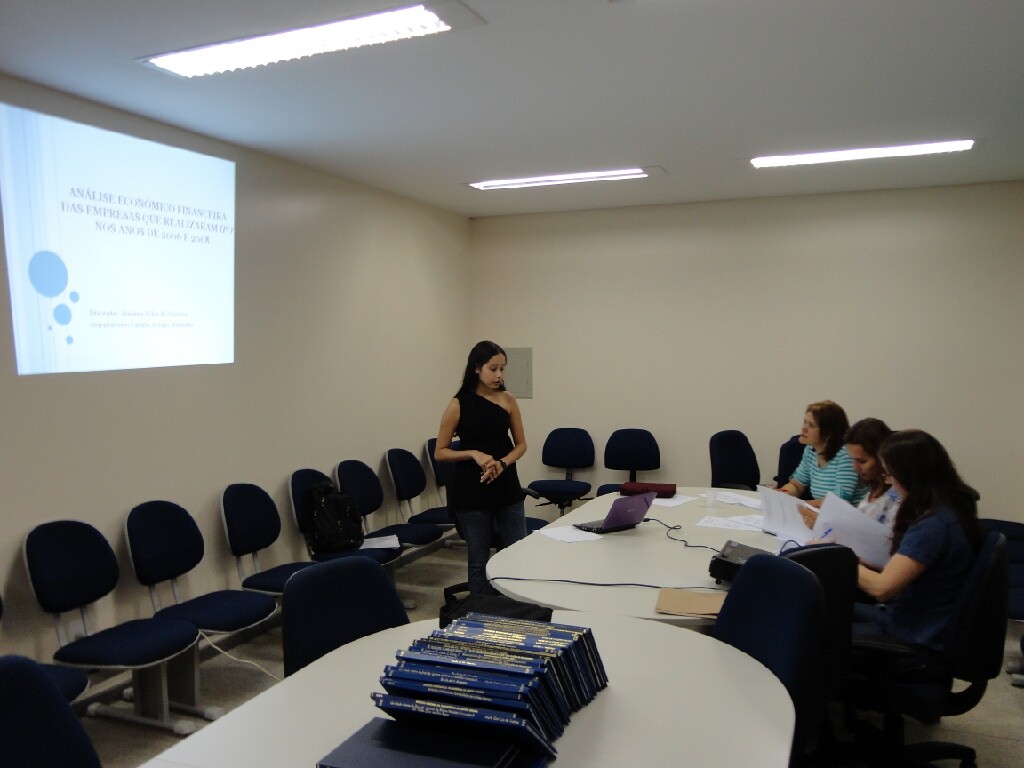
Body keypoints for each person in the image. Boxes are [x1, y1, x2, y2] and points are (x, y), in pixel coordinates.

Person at [853, 429, 983, 651]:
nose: (889, 483)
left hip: (912, 635)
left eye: (890, 475)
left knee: (814, 626)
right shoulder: (952, 507)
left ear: (909, 477)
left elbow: (882, 589)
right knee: (824, 606)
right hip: (913, 619)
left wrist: (842, 558)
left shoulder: (933, 525)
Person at [434, 340, 528, 595]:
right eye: (493, 369)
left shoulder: (508, 400)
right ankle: (480, 610)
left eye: (502, 369)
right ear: (477, 368)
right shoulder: (458, 404)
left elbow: (521, 445)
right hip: (472, 490)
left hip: (506, 485)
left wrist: (503, 463)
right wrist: (472, 453)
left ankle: (516, 607)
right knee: (478, 559)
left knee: (517, 551)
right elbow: (440, 452)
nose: (499, 375)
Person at [777, 400, 864, 508]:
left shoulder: (846, 455)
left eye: (811, 425)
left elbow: (839, 502)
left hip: (849, 515)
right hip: (824, 514)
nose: (803, 429)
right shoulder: (810, 450)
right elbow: (797, 485)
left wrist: (802, 505)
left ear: (829, 432)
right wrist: (783, 494)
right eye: (805, 422)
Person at [845, 417, 900, 529]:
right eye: (852, 459)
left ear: (882, 458)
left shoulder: (898, 495)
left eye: (862, 461)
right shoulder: (872, 487)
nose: (855, 467)